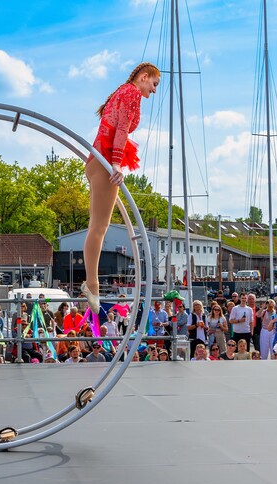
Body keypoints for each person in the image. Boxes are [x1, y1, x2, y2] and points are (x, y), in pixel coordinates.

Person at [82, 62, 160, 313]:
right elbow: (122, 129)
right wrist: (116, 163)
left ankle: (91, 283)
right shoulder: (131, 93)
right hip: (104, 160)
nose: (154, 90)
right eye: (154, 84)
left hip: (97, 160)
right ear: (144, 77)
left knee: (97, 226)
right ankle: (92, 285)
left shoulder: (121, 91)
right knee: (99, 228)